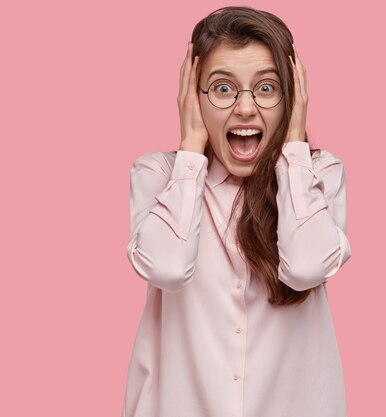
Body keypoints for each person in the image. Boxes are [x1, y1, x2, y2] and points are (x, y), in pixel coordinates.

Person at [121, 6, 352, 417]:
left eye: (266, 88)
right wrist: (191, 151)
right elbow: (168, 267)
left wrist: (294, 149)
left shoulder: (317, 174)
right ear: (193, 97)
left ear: (291, 98)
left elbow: (305, 266)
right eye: (223, 89)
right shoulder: (160, 175)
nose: (245, 109)